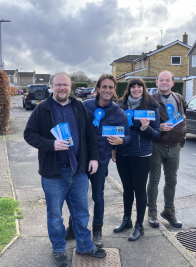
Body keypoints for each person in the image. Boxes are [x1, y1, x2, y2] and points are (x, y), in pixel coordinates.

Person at [24, 72, 106, 267]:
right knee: (55, 216)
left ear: (71, 87)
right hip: (54, 173)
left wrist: (93, 157)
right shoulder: (42, 109)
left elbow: (89, 134)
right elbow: (29, 134)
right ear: (52, 86)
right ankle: (59, 249)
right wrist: (51, 145)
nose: (62, 88)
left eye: (65, 85)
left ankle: (85, 246)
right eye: (58, 84)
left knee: (81, 213)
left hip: (78, 171)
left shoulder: (78, 106)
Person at [64, 74, 131, 248]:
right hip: (80, 160)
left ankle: (98, 230)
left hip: (101, 161)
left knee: (98, 197)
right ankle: (73, 227)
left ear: (114, 90)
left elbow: (129, 135)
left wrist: (121, 142)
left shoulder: (119, 112)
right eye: (104, 87)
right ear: (98, 89)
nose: (107, 90)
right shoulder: (84, 106)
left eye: (110, 87)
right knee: (77, 197)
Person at [112, 77, 160, 241]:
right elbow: (115, 127)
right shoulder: (120, 104)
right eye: (133, 86)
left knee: (139, 190)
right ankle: (127, 220)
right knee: (127, 188)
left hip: (141, 154)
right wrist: (113, 148)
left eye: (139, 86)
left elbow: (156, 134)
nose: (136, 89)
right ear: (129, 88)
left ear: (143, 88)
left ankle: (139, 225)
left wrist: (146, 128)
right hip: (122, 152)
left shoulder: (152, 105)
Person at [147, 70, 186, 229]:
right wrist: (158, 126)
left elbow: (183, 118)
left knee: (172, 180)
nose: (164, 82)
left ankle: (169, 211)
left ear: (172, 82)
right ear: (156, 83)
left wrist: (182, 140)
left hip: (175, 146)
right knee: (154, 180)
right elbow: (141, 122)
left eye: (167, 80)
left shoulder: (178, 98)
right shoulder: (149, 100)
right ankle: (152, 212)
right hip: (157, 145)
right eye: (161, 80)